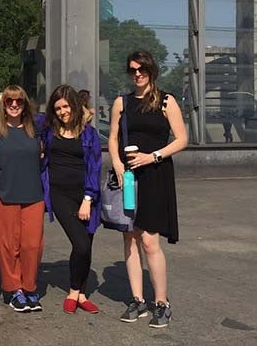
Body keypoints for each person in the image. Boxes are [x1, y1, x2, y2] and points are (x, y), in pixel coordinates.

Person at [108, 51, 187, 328]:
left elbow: (182, 139)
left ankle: (162, 302)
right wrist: (117, 163)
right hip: (128, 177)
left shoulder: (167, 101)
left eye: (141, 69)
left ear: (151, 70)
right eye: (132, 70)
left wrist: (151, 156)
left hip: (154, 174)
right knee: (129, 238)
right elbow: (113, 137)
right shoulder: (122, 102)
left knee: (150, 241)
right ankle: (138, 299)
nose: (137, 74)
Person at [39, 85, 103, 315]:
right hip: (60, 194)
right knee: (81, 243)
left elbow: (95, 167)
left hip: (86, 195)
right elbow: (27, 114)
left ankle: (81, 294)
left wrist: (88, 198)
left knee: (87, 245)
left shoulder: (89, 134)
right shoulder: (48, 130)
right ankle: (73, 291)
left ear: (75, 105)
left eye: (66, 106)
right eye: (57, 108)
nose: (62, 111)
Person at [0, 85, 44, 313]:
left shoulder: (36, 129)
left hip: (33, 195)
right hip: (6, 195)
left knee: (32, 245)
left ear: (25, 105)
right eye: (9, 101)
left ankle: (29, 287)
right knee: (8, 246)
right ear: (3, 105)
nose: (14, 105)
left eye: (19, 101)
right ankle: (14, 289)